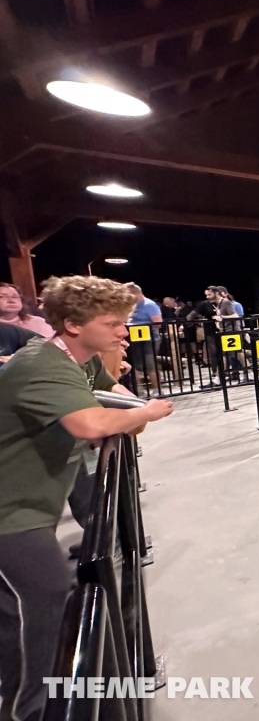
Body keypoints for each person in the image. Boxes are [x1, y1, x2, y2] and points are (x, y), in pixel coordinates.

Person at [0, 275, 173, 721]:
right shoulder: (42, 363)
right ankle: (38, 707)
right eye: (113, 323)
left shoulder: (77, 360)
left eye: (125, 322)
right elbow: (92, 425)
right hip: (11, 508)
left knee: (15, 614)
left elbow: (116, 394)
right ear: (73, 325)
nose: (124, 332)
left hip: (30, 502)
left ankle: (22, 692)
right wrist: (145, 412)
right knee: (53, 591)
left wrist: (131, 409)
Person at [126, 282, 163, 392]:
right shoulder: (132, 306)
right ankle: (139, 391)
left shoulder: (149, 305)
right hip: (135, 339)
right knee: (136, 366)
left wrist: (142, 327)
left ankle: (158, 390)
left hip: (150, 339)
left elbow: (158, 323)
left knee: (150, 365)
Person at [212, 286, 242, 380]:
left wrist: (221, 317)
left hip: (233, 331)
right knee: (228, 354)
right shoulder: (219, 304)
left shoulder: (229, 303)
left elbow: (237, 316)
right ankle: (220, 377)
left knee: (236, 354)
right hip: (226, 331)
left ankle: (248, 373)